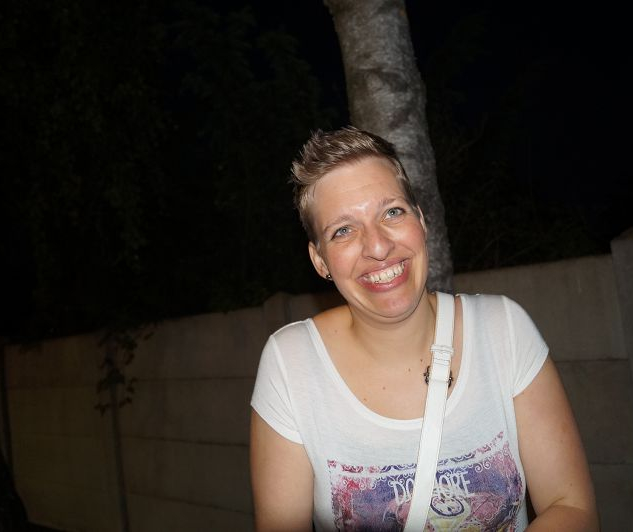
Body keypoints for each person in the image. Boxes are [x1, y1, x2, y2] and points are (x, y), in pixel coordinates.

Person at [250, 126, 598, 531]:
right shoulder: (291, 365)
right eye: (343, 230)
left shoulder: (504, 330)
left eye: (392, 212)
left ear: (421, 220)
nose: (378, 247)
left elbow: (571, 506)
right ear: (320, 260)